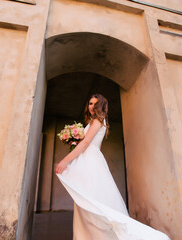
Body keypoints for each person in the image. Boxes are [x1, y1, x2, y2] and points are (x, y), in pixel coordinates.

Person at [55, 93, 170, 240]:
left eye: (95, 104)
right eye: (90, 103)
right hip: (90, 160)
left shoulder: (97, 121)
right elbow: (96, 146)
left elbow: (85, 144)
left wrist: (65, 160)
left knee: (89, 200)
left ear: (101, 106)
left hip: (90, 162)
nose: (92, 107)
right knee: (84, 199)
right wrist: (73, 143)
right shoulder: (96, 122)